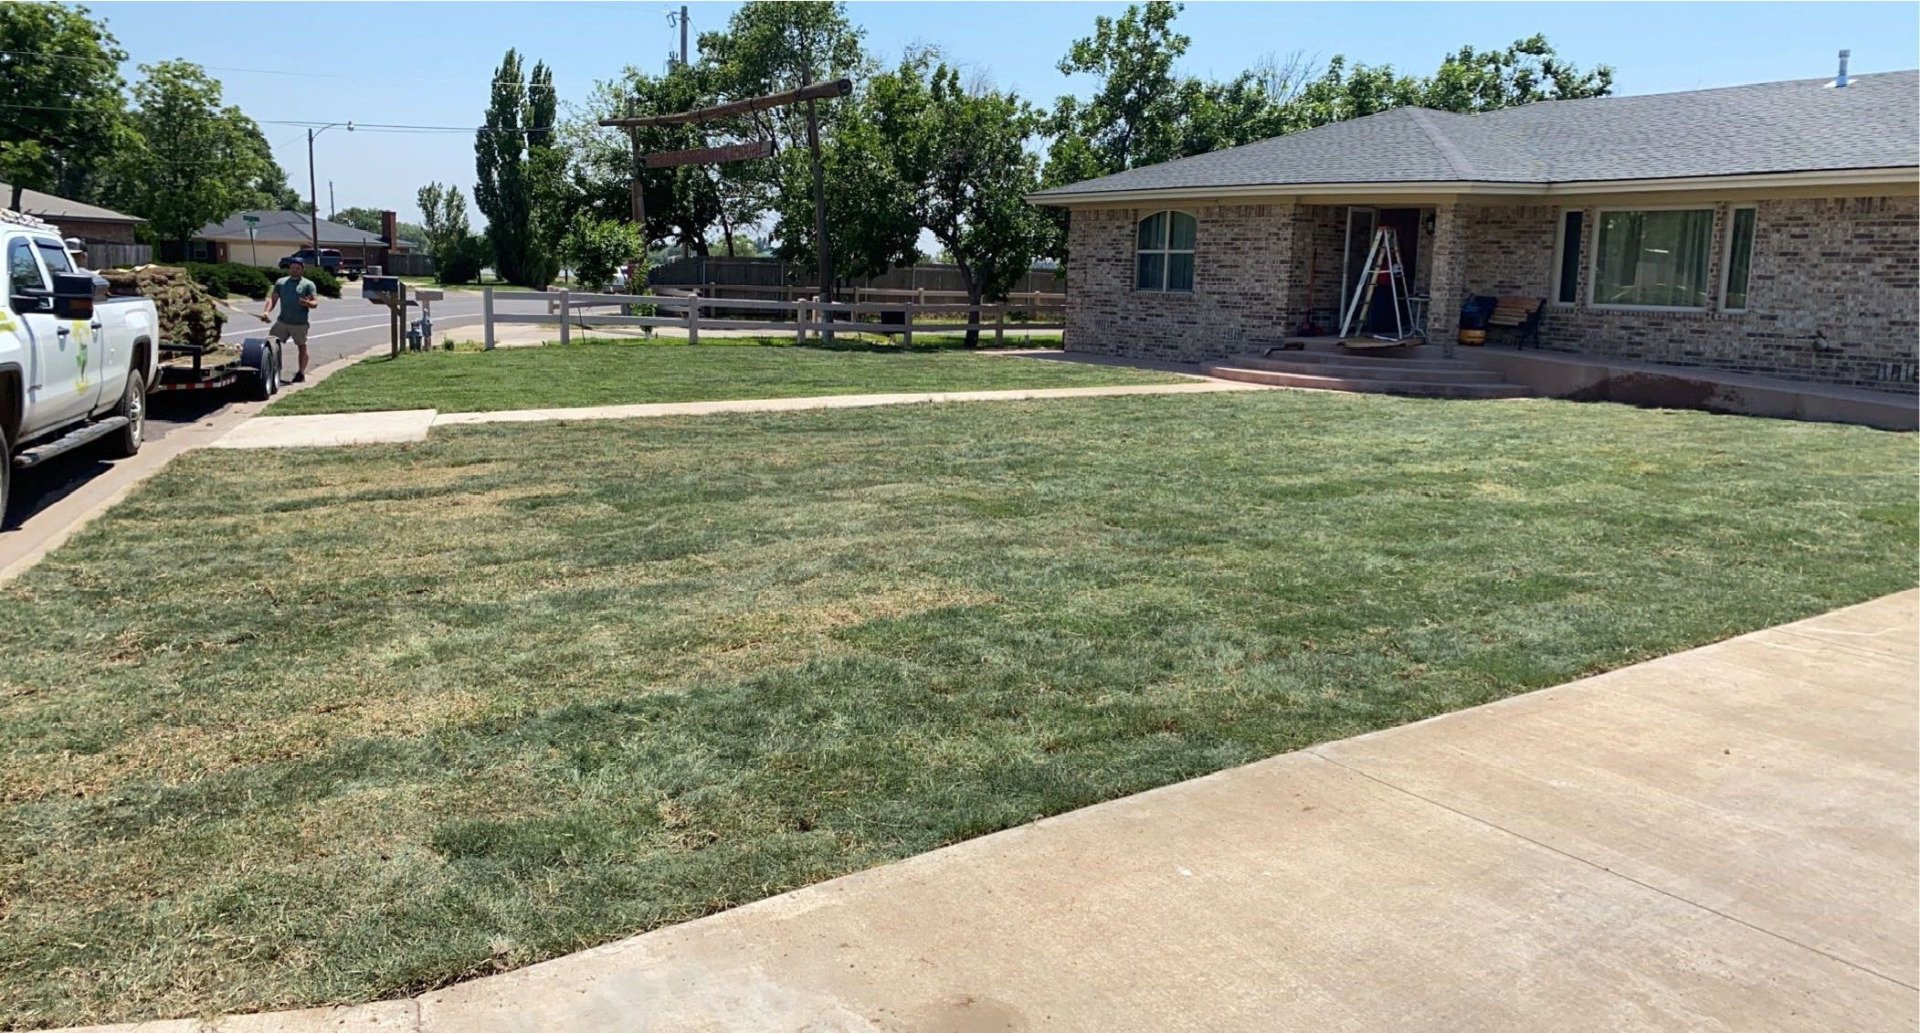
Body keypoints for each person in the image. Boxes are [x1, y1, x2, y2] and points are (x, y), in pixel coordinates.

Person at [263, 259, 319, 383]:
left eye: (297, 268)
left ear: (302, 269)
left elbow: (315, 303)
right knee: (270, 344)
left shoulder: (308, 284)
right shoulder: (281, 282)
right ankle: (271, 371)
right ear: (289, 268)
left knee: (301, 347)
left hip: (299, 323)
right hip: (282, 322)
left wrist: (308, 303)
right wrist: (266, 312)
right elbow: (273, 299)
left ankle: (301, 373)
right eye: (292, 268)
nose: (294, 270)